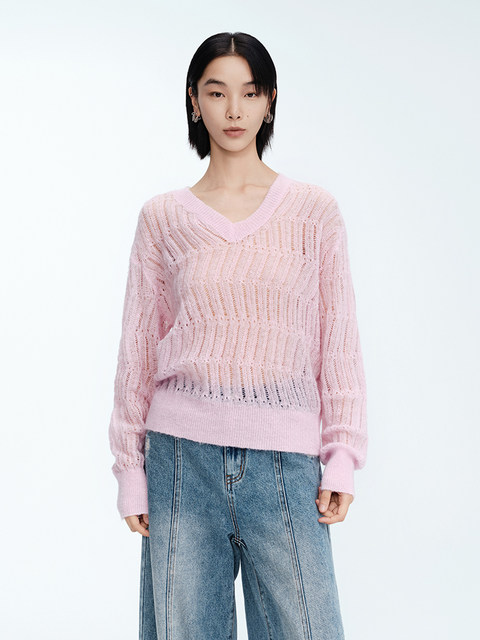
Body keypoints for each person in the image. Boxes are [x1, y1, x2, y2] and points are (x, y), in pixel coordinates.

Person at [108, 31, 368, 640]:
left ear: (269, 101)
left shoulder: (313, 212)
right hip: (180, 463)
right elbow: (137, 350)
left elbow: (338, 341)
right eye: (217, 92)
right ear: (194, 100)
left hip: (287, 465)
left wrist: (342, 456)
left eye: (249, 93)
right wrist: (130, 471)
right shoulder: (163, 218)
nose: (233, 110)